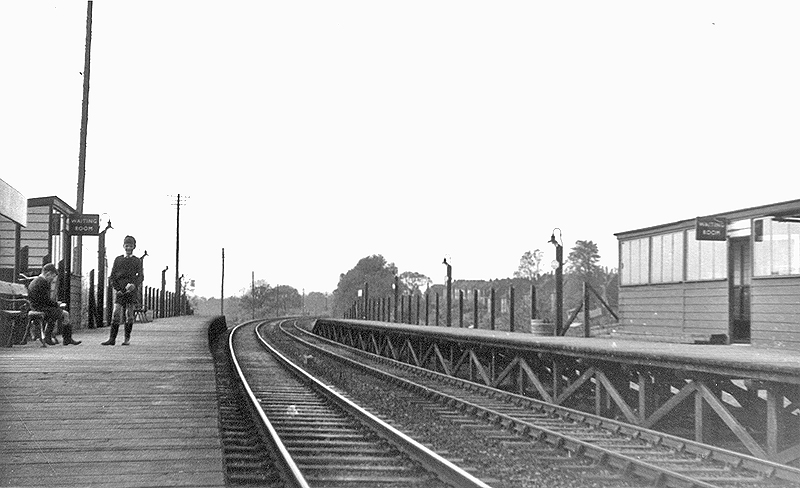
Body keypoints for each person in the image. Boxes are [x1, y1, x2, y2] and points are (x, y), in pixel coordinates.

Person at [102, 235, 144, 346]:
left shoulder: (137, 261)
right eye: (126, 245)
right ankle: (112, 339)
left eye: (130, 246)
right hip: (120, 291)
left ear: (134, 247)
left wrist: (134, 285)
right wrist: (117, 289)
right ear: (123, 246)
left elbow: (140, 276)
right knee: (116, 313)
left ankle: (126, 339)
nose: (128, 248)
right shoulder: (118, 259)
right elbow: (112, 276)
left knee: (129, 315)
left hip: (131, 292)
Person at [28, 263, 81, 346]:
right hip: (40, 308)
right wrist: (56, 304)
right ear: (48, 273)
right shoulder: (42, 282)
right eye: (52, 277)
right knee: (65, 314)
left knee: (54, 313)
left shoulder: (36, 281)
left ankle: (48, 337)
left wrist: (55, 305)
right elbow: (46, 301)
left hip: (35, 306)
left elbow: (43, 299)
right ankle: (67, 339)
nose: (52, 279)